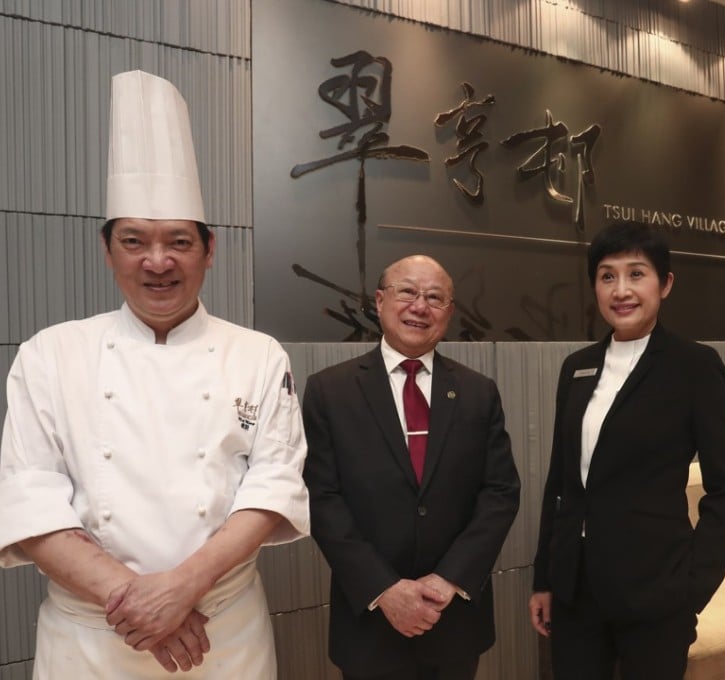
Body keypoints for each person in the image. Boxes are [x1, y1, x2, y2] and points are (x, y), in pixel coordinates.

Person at [0, 70, 309, 679]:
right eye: (135, 241)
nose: (158, 262)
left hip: (224, 635)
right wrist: (137, 601)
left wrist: (181, 590)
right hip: (92, 642)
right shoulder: (49, 354)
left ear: (209, 249)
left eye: (179, 242)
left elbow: (273, 486)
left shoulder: (259, 353)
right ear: (107, 249)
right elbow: (30, 502)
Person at [529, 221, 725, 679]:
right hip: (575, 593)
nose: (621, 290)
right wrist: (545, 579)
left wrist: (694, 587)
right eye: (607, 276)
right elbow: (562, 482)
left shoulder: (694, 366)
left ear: (664, 284)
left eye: (636, 274)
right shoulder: (578, 367)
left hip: (655, 592)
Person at [302, 254, 520, 680]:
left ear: (449, 313)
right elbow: (321, 498)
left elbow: (500, 492)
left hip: (453, 617)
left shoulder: (478, 393)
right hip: (369, 620)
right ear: (380, 301)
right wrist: (384, 589)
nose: (420, 307)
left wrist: (449, 580)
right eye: (407, 292)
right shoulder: (330, 391)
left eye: (435, 298)